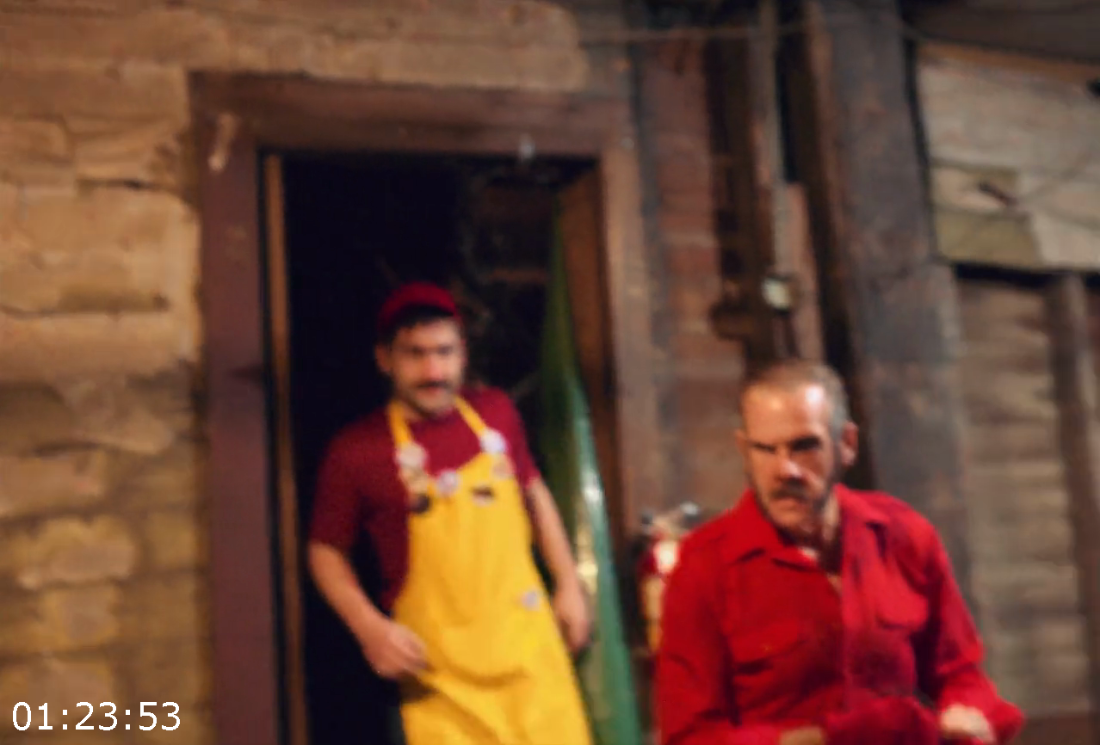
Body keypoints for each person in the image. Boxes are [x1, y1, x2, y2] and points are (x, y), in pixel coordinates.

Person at [655, 359, 1024, 745]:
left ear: (846, 444)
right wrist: (816, 740)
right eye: (765, 450)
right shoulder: (706, 566)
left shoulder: (902, 536)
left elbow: (960, 673)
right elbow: (688, 736)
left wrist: (966, 712)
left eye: (804, 447)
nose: (785, 470)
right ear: (744, 450)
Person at [308, 281, 594, 745]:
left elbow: (533, 491)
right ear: (384, 359)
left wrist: (568, 583)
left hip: (531, 661)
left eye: (444, 352)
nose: (433, 371)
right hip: (440, 683)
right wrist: (369, 627)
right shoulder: (356, 451)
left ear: (463, 353)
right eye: (415, 354)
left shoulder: (497, 414)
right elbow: (325, 550)